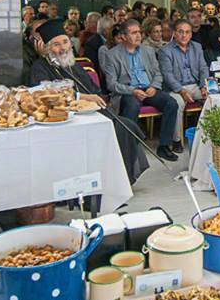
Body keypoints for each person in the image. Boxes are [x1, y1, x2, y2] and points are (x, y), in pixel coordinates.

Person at [28, 20, 151, 183]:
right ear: (47, 48)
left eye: (65, 42)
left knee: (127, 126)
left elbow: (94, 89)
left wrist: (95, 99)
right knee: (122, 127)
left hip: (92, 112)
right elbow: (45, 96)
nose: (63, 48)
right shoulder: (39, 68)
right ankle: (110, 180)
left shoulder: (72, 64)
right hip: (67, 119)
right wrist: (83, 98)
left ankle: (119, 178)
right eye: (56, 45)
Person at [101, 19, 179, 161]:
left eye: (139, 32)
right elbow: (111, 84)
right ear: (123, 36)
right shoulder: (112, 55)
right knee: (132, 106)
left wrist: (154, 86)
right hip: (128, 91)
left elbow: (158, 73)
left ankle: (164, 146)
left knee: (172, 103)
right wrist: (132, 91)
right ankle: (130, 148)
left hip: (148, 88)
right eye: (133, 33)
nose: (138, 36)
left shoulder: (148, 51)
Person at [159, 19, 209, 151]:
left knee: (212, 97)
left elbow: (203, 68)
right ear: (174, 33)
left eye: (187, 32)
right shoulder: (165, 51)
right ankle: (177, 140)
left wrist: (204, 86)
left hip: (195, 85)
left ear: (191, 34)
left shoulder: (197, 47)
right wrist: (181, 91)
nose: (184, 35)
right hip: (175, 88)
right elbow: (167, 75)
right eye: (180, 32)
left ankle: (209, 137)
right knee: (177, 103)